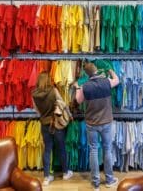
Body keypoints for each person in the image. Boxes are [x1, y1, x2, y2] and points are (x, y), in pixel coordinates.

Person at [73, 63, 120, 191]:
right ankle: (110, 180)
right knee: (107, 149)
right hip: (106, 122)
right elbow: (117, 80)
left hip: (92, 123)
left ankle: (96, 183)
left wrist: (77, 87)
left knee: (93, 150)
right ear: (96, 70)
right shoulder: (106, 82)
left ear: (87, 74)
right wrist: (111, 70)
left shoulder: (85, 87)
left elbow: (78, 100)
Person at [32, 72, 73, 186]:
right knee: (61, 148)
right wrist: (69, 115)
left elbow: (37, 111)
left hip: (44, 124)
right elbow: (63, 104)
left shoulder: (34, 94)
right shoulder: (53, 91)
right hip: (56, 123)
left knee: (47, 149)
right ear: (48, 80)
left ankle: (46, 177)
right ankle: (65, 173)